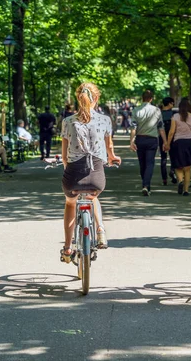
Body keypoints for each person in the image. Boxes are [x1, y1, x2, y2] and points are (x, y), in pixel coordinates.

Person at [60, 82, 121, 262]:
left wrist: (68, 169)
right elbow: (109, 147)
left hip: (72, 175)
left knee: (71, 203)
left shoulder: (67, 122)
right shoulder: (104, 120)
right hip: (96, 177)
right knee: (93, 197)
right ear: (96, 98)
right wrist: (112, 157)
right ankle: (101, 229)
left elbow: (64, 156)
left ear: (78, 99)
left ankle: (68, 248)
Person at [130, 90, 168, 196]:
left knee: (142, 164)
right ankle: (146, 185)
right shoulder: (157, 110)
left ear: (142, 98)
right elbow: (161, 127)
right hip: (152, 140)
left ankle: (145, 185)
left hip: (140, 139)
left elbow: (133, 127)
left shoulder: (136, 110)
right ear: (151, 98)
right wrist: (165, 141)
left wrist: (131, 141)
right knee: (150, 163)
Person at [166, 98, 191, 196]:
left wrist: (168, 143)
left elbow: (171, 132)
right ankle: (186, 190)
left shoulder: (175, 117)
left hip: (178, 143)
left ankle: (180, 180)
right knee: (187, 168)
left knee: (178, 166)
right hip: (190, 143)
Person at [159, 97, 176, 185]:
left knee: (163, 158)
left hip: (161, 137)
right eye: (172, 103)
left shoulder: (159, 114)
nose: (173, 105)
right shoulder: (173, 114)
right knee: (173, 156)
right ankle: (173, 171)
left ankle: (164, 179)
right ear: (169, 103)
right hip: (172, 137)